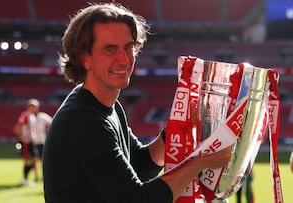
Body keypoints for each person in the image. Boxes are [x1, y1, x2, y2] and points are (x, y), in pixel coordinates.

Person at [42, 3, 232, 203]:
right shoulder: (82, 120)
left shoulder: (108, 106)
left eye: (129, 47)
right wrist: (199, 163)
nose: (124, 60)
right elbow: (137, 200)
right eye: (110, 49)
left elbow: (140, 165)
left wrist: (179, 127)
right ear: (84, 59)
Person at [14, 98, 40, 186]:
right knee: (27, 160)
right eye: (36, 107)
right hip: (26, 141)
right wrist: (20, 138)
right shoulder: (25, 115)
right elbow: (18, 127)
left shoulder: (33, 116)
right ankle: (25, 179)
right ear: (30, 107)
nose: (37, 109)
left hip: (31, 141)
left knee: (34, 159)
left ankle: (25, 178)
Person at [31, 110, 53, 181]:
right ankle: (36, 176)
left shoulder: (42, 116)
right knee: (33, 159)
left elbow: (52, 123)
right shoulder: (29, 117)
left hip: (41, 141)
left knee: (42, 160)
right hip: (32, 141)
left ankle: (44, 175)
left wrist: (47, 130)